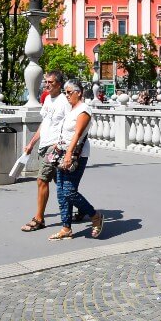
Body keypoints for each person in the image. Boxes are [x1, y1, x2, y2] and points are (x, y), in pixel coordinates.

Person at [21, 71, 83, 232]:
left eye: (51, 82)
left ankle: (39, 219)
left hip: (54, 147)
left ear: (59, 84)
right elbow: (45, 123)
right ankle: (82, 207)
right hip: (44, 145)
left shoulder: (65, 101)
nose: (46, 84)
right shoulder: (48, 99)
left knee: (42, 180)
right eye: (46, 81)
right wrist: (32, 143)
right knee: (60, 183)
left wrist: (61, 145)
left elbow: (72, 124)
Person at [49, 79, 105, 240]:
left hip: (75, 155)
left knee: (69, 191)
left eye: (69, 92)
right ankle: (66, 227)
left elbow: (78, 134)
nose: (66, 95)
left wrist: (68, 153)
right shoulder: (71, 109)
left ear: (78, 93)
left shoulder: (84, 110)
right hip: (63, 152)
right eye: (65, 92)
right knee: (61, 192)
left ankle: (95, 216)